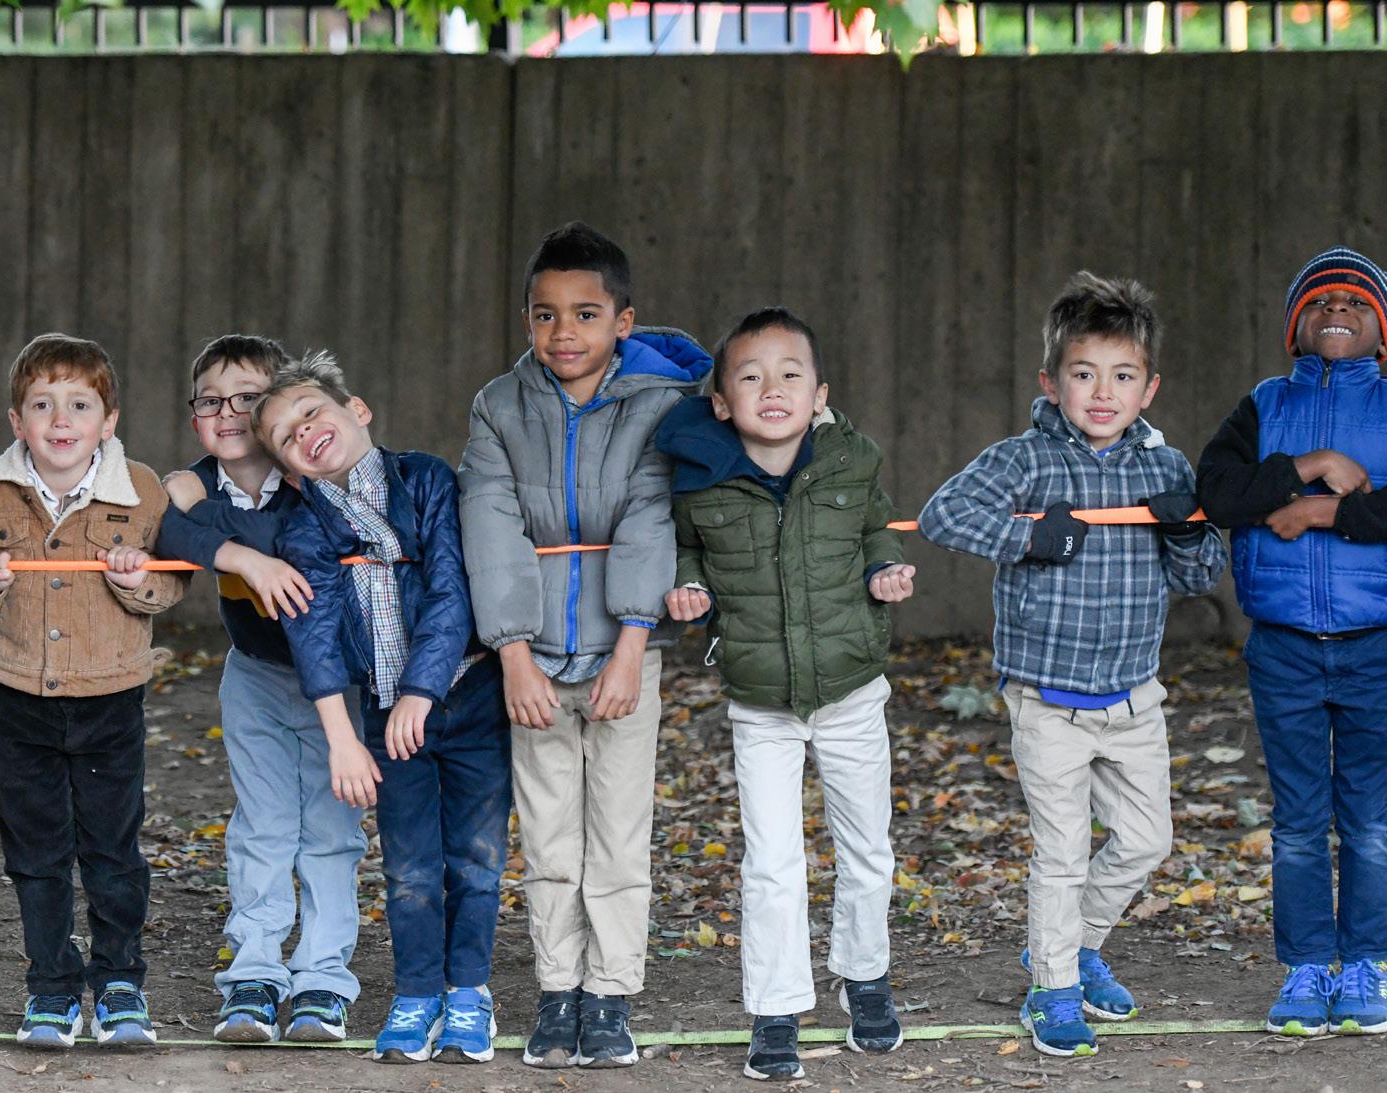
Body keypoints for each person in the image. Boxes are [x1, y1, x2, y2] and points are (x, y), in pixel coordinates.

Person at [919, 274, 1226, 1057]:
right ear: (1051, 381)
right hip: (1047, 698)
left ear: (1148, 388)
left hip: (1132, 699)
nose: (1103, 392)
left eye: (1122, 376)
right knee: (1059, 852)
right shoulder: (1025, 460)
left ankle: (1075, 945)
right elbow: (942, 513)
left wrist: (1187, 530)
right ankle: (1052, 987)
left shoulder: (1166, 468)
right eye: (1084, 373)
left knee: (1147, 840)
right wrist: (1028, 537)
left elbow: (1200, 575)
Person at [457, 222, 710, 1069]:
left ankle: (609, 993)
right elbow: (491, 529)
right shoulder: (498, 406)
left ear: (623, 322)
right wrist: (512, 653)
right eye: (545, 315)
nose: (564, 332)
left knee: (619, 836)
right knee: (550, 838)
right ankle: (558, 988)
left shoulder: (659, 408)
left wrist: (634, 645)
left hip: (623, 662)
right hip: (533, 667)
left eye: (586, 314)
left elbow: (649, 519)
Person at [1196, 247, 1387, 1037]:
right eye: (1319, 301)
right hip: (1283, 648)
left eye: (1355, 301)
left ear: (1383, 329)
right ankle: (1309, 966)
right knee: (1299, 821)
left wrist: (1324, 511)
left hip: (1376, 646)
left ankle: (1367, 962)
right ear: (1295, 326)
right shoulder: (1263, 406)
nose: (1336, 310)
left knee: (1369, 820)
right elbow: (1217, 491)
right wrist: (1309, 466)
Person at [660, 306, 911, 1080]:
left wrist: (884, 568)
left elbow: (876, 529)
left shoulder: (851, 460)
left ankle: (865, 977)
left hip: (851, 688)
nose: (773, 389)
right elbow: (685, 549)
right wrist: (688, 586)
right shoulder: (700, 480)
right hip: (760, 699)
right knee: (772, 861)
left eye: (790, 374)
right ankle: (776, 1010)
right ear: (721, 402)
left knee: (867, 848)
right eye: (751, 376)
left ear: (819, 394)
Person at [255, 354, 512, 1064]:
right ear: (285, 467)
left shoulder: (425, 478)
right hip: (383, 710)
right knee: (410, 866)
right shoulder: (304, 529)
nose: (303, 432)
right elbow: (314, 637)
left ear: (357, 410)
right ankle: (418, 992)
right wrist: (344, 739)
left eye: (311, 413)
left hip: (466, 696)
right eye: (284, 436)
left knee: (478, 858)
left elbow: (451, 590)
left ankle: (469, 991)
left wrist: (421, 693)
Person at [0, 333, 187, 1048]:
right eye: (42, 404)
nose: (61, 420)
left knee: (113, 849)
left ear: (108, 420)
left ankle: (119, 980)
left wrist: (140, 580)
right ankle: (52, 986)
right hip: (17, 697)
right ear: (16, 419)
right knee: (35, 852)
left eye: (80, 405)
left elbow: (173, 583)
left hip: (110, 699)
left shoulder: (143, 490)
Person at [155, 335, 368, 1043]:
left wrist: (216, 530)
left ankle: (323, 976)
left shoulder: (311, 475)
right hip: (254, 674)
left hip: (338, 681)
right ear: (194, 416)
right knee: (263, 825)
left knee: (332, 830)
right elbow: (165, 529)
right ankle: (254, 968)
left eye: (247, 399)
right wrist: (239, 555)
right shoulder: (192, 483)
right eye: (211, 401)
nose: (229, 413)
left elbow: (278, 538)